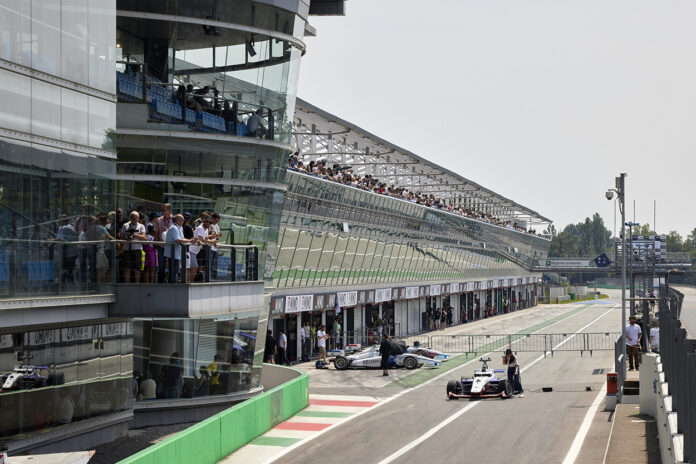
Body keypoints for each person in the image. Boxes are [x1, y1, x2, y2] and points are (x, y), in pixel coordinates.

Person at [164, 214, 194, 283]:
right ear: (178, 221)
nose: (183, 222)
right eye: (182, 220)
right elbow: (177, 239)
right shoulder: (174, 228)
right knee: (173, 271)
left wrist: (190, 240)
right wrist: (190, 240)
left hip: (176, 253)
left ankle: (173, 284)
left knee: (175, 271)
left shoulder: (179, 228)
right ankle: (172, 286)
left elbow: (182, 238)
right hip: (172, 254)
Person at [119, 211, 147, 283]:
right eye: (133, 218)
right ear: (130, 218)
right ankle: (127, 284)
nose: (134, 220)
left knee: (137, 268)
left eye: (136, 218)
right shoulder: (125, 225)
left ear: (138, 218)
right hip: (127, 249)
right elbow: (121, 238)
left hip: (137, 249)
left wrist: (134, 235)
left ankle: (137, 284)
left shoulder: (141, 226)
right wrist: (121, 247)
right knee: (127, 268)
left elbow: (144, 237)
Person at [153, 203, 173, 283]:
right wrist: (157, 243)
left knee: (172, 265)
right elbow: (156, 233)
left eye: (164, 210)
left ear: (169, 210)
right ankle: (161, 283)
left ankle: (171, 282)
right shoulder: (159, 220)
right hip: (161, 246)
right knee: (161, 266)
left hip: (171, 247)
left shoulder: (174, 219)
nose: (162, 212)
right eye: (162, 210)